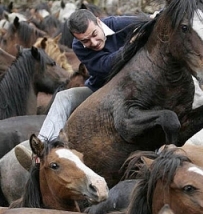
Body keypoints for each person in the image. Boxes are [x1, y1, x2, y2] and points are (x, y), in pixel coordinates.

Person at [38, 9, 148, 141]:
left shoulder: (121, 23)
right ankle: (42, 146)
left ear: (99, 22)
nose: (94, 43)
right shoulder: (78, 46)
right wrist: (131, 45)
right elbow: (106, 67)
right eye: (86, 41)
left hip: (137, 84)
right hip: (102, 88)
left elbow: (154, 21)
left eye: (95, 34)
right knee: (63, 97)